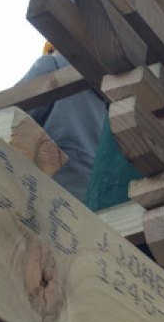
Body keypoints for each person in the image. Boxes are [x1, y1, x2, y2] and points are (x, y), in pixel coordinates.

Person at [19, 42, 108, 202]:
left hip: (51, 178)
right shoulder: (108, 96)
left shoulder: (52, 64)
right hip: (91, 189)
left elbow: (12, 115)